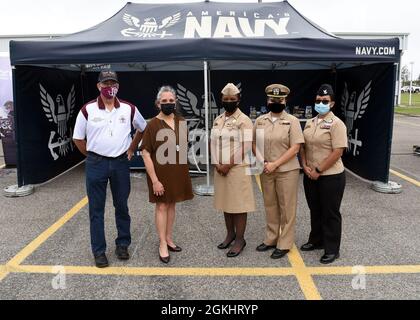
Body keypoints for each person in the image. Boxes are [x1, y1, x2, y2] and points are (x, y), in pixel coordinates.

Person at [73, 70, 147, 268]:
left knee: (121, 206)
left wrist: (132, 147)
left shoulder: (128, 108)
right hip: (96, 163)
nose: (109, 87)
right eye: (105, 83)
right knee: (96, 210)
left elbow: (142, 127)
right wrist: (90, 156)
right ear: (98, 86)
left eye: (112, 83)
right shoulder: (87, 110)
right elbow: (78, 138)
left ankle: (123, 244)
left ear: (118, 86)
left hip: (120, 163)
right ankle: (99, 251)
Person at [140, 85, 194, 264]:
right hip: (159, 174)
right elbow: (146, 153)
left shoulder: (181, 121)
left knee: (172, 205)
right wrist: (155, 180)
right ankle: (162, 243)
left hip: (177, 172)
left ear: (176, 102)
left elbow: (182, 148)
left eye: (171, 101)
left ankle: (169, 238)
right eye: (164, 101)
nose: (168, 103)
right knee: (162, 206)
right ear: (158, 104)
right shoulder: (152, 125)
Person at [253, 84, 304, 259]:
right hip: (266, 169)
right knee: (270, 205)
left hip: (286, 171)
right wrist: (263, 162)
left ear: (285, 100)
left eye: (279, 100)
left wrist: (275, 164)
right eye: (272, 99)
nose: (275, 102)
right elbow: (254, 144)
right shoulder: (260, 121)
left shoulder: (292, 121)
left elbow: (296, 147)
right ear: (267, 100)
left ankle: (285, 242)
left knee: (287, 207)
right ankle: (271, 238)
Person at [300, 84, 348, 264]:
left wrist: (319, 170)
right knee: (315, 209)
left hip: (331, 176)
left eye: (325, 101)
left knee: (330, 212)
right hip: (310, 174)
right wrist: (304, 165)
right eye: (318, 100)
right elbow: (303, 145)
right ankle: (316, 240)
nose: (321, 103)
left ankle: (332, 249)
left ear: (332, 103)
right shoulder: (311, 122)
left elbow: (338, 151)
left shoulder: (337, 124)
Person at [211, 83, 255, 257]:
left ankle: (240, 240)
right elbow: (212, 142)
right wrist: (216, 163)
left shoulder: (244, 120)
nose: (229, 101)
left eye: (232, 99)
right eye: (226, 99)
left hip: (236, 169)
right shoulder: (218, 119)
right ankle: (230, 234)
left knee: (238, 205)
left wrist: (227, 164)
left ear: (238, 100)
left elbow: (246, 146)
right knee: (225, 203)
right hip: (220, 168)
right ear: (222, 99)